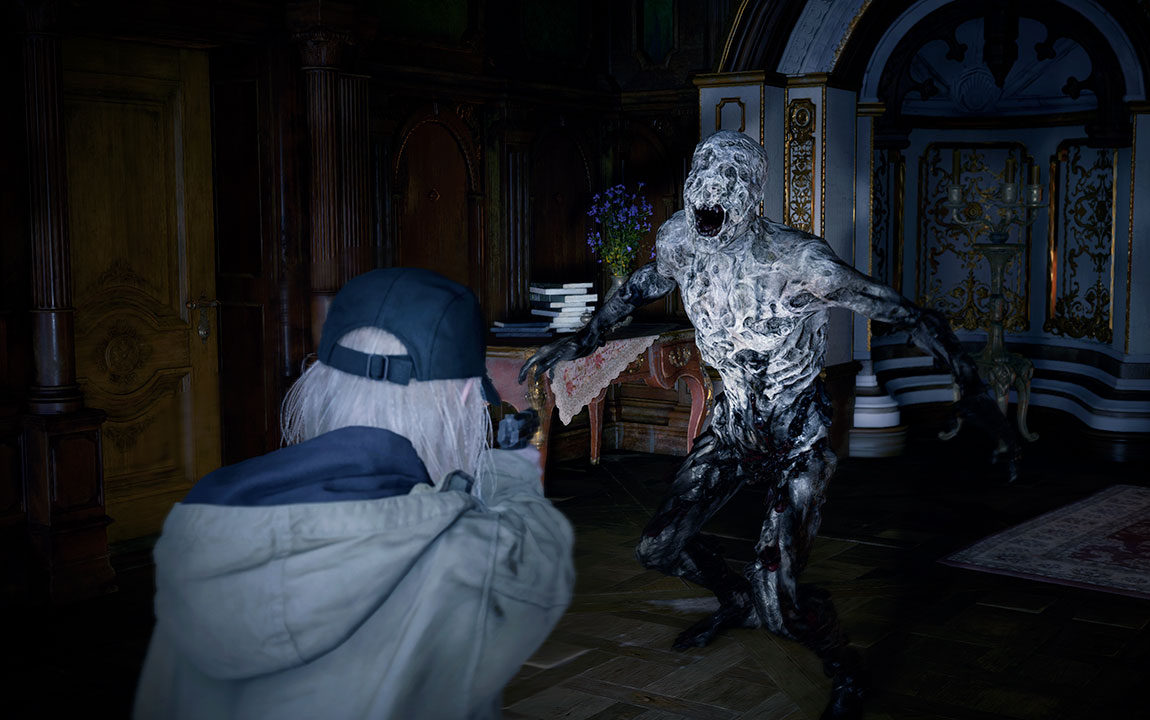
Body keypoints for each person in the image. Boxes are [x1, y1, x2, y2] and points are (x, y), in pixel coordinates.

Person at [520, 131, 1015, 719]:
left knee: (779, 600)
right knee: (659, 548)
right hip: (731, 429)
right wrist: (582, 340)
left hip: (796, 435)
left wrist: (972, 385)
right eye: (702, 183)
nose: (711, 199)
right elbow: (639, 287)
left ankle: (843, 669)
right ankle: (736, 599)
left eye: (728, 185)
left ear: (753, 198)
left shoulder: (800, 263)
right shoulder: (681, 241)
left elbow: (905, 313)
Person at [134, 267, 575, 720]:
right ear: (465, 397)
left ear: (321, 379)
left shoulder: (206, 518)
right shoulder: (460, 547)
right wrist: (514, 462)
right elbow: (540, 560)